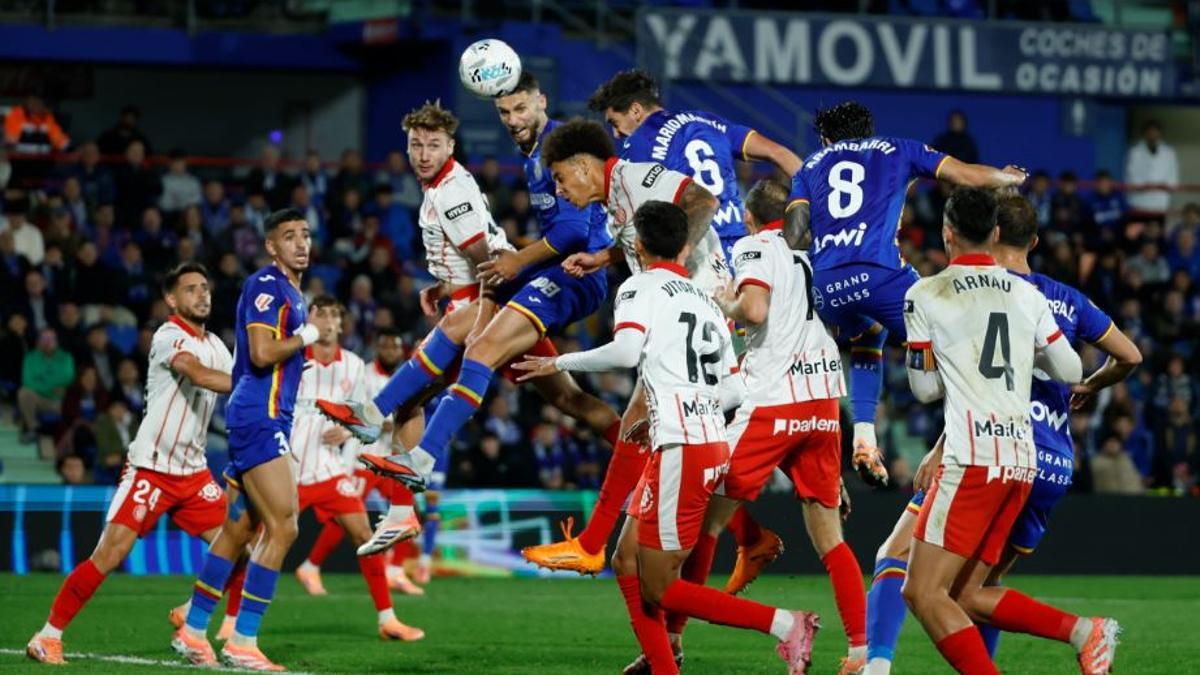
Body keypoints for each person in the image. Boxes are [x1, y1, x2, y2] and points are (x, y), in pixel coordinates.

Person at [513, 201, 820, 675]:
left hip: (685, 451)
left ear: (636, 246)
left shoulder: (639, 287)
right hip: (697, 440)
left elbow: (627, 350)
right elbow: (734, 389)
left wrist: (558, 363)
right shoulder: (708, 301)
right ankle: (663, 664)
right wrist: (671, 411)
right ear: (686, 245)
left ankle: (786, 624)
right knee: (625, 560)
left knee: (659, 586)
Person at [319, 102, 623, 564]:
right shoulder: (438, 187)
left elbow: (489, 264)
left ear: (451, 146)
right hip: (492, 298)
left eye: (433, 145)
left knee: (428, 382)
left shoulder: (451, 192)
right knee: (566, 400)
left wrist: (481, 312)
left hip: (494, 299)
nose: (423, 153)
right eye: (416, 145)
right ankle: (401, 502)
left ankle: (380, 428)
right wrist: (443, 286)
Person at [862, 194, 1142, 674]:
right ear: (1015, 237)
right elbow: (1091, 363)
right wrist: (1068, 375)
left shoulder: (934, 292)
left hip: (973, 453)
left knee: (914, 581)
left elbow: (927, 389)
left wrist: (947, 398)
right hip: (1034, 460)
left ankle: (874, 665)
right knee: (971, 592)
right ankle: (1084, 632)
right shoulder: (1041, 296)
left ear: (950, 233)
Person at [786, 101, 1026, 489]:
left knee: (868, 334)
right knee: (956, 341)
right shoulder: (898, 148)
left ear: (827, 139)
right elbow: (964, 174)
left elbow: (795, 234)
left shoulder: (810, 166)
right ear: (868, 130)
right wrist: (1004, 177)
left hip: (825, 287)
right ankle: (985, 445)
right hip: (882, 277)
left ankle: (864, 437)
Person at [26, 263, 235, 665]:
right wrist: (252, 378)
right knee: (109, 554)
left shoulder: (219, 348)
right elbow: (197, 374)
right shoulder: (169, 336)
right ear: (171, 300)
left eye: (206, 288)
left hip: (193, 473)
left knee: (240, 546)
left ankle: (193, 616)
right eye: (191, 289)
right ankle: (47, 636)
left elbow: (238, 390)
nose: (202, 294)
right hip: (151, 468)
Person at [701, 179, 865, 675]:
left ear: (750, 219)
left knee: (707, 517)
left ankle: (671, 638)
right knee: (830, 539)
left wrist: (724, 302)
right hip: (823, 404)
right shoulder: (822, 256)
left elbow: (753, 310)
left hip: (773, 400)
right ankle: (860, 652)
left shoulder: (754, 246)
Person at [171, 209, 318, 671]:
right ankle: (242, 641)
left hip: (262, 416)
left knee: (238, 531)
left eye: (305, 235)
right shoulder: (267, 285)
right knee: (285, 527)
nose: (300, 243)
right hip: (259, 416)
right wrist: (306, 336)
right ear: (272, 247)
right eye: (289, 236)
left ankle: (194, 631)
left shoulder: (292, 291)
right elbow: (259, 353)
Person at [275, 296, 424, 640]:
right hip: (288, 464)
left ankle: (387, 620)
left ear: (342, 324)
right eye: (320, 314)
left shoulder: (354, 365)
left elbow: (361, 417)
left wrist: (345, 428)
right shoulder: (292, 358)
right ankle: (209, 613)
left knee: (364, 535)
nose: (328, 321)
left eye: (333, 315)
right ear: (309, 321)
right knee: (256, 541)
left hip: (330, 467)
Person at [587, 69, 802, 264]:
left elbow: (635, 229)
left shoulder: (637, 147)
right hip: (740, 248)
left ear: (635, 110)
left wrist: (601, 257)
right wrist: (813, 197)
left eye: (614, 123)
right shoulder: (706, 120)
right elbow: (779, 153)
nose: (615, 134)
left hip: (697, 253)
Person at [17, 327, 74, 444]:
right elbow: (27, 381)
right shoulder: (30, 357)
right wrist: (50, 387)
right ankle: (33, 428)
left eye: (51, 338)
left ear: (56, 341)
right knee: (24, 392)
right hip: (40, 398)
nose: (47, 342)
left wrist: (41, 380)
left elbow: (67, 378)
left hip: (58, 401)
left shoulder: (66, 357)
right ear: (38, 341)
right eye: (44, 338)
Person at [1124, 119, 1179, 217]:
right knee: (1136, 230)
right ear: (1144, 133)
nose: (1152, 134)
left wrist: (1167, 186)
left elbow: (1173, 174)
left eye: (1155, 131)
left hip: (1160, 201)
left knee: (1157, 230)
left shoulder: (1169, 152)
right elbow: (1131, 173)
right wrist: (1144, 186)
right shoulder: (1135, 152)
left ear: (1160, 133)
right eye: (1150, 132)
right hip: (1138, 200)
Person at [159, 149, 204, 214]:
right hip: (168, 215)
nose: (178, 165)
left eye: (180, 162)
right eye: (175, 162)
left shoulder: (193, 182)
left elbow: (196, 202)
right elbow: (163, 204)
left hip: (188, 217)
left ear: (185, 163)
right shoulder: (163, 181)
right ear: (169, 163)